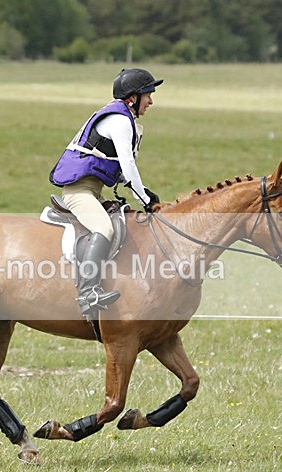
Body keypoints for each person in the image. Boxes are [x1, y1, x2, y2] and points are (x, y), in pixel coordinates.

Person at [50, 68, 162, 317]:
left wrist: (142, 191)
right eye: (148, 95)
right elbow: (128, 165)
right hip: (79, 192)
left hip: (93, 191)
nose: (151, 101)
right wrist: (144, 198)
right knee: (104, 229)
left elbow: (118, 167)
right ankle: (88, 293)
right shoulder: (120, 121)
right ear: (133, 98)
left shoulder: (123, 118)